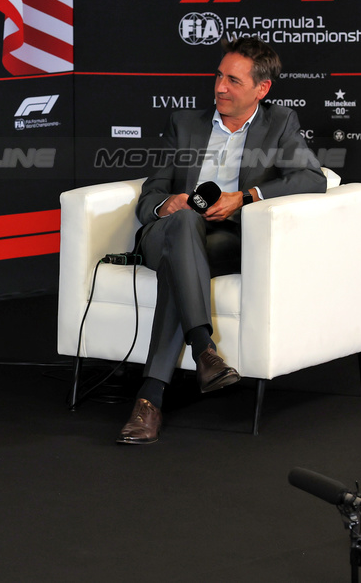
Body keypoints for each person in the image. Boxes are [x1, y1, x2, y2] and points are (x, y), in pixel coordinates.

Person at [117, 37, 326, 444]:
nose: (220, 88)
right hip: (168, 232)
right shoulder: (185, 122)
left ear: (261, 89)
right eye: (218, 76)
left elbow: (312, 178)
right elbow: (150, 197)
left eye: (233, 80)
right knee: (182, 228)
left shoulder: (279, 123)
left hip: (225, 239)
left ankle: (151, 397)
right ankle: (202, 350)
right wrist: (169, 204)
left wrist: (243, 198)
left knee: (184, 262)